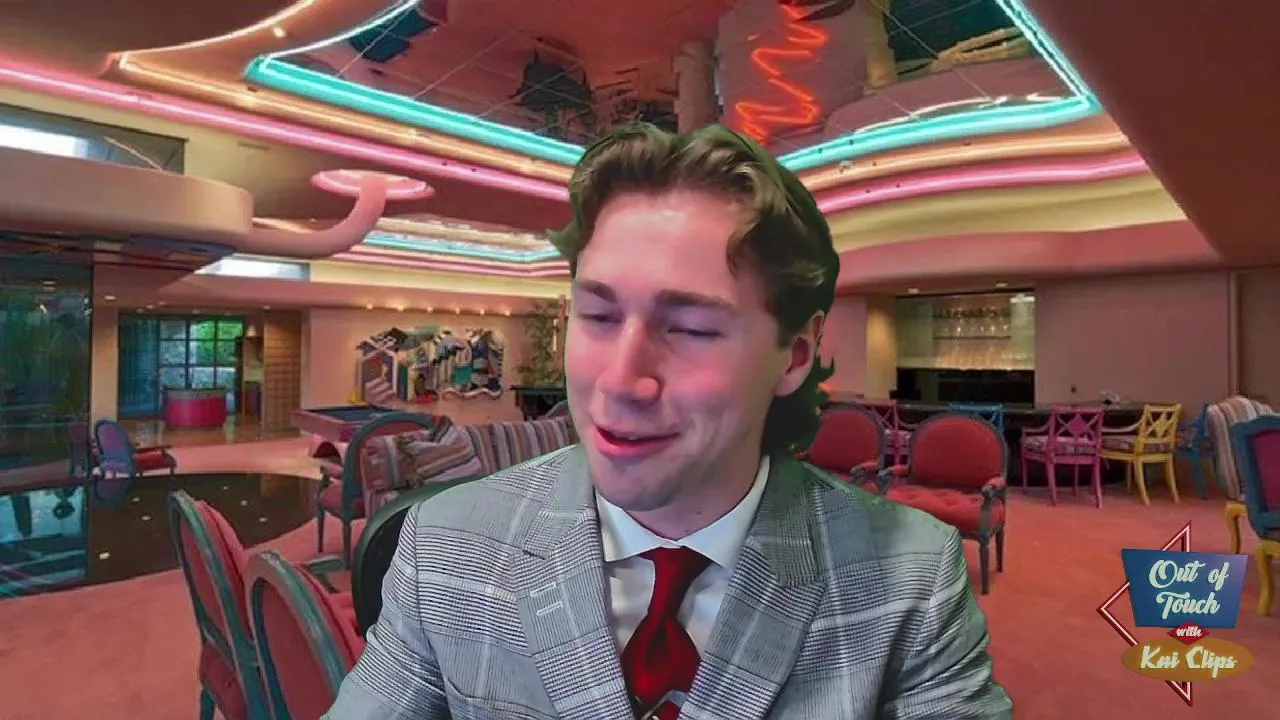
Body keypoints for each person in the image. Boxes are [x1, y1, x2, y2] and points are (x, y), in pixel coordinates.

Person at [325, 123, 1013, 719]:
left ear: (794, 356)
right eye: (598, 316)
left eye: (689, 328)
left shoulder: (910, 578)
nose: (620, 380)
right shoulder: (444, 545)